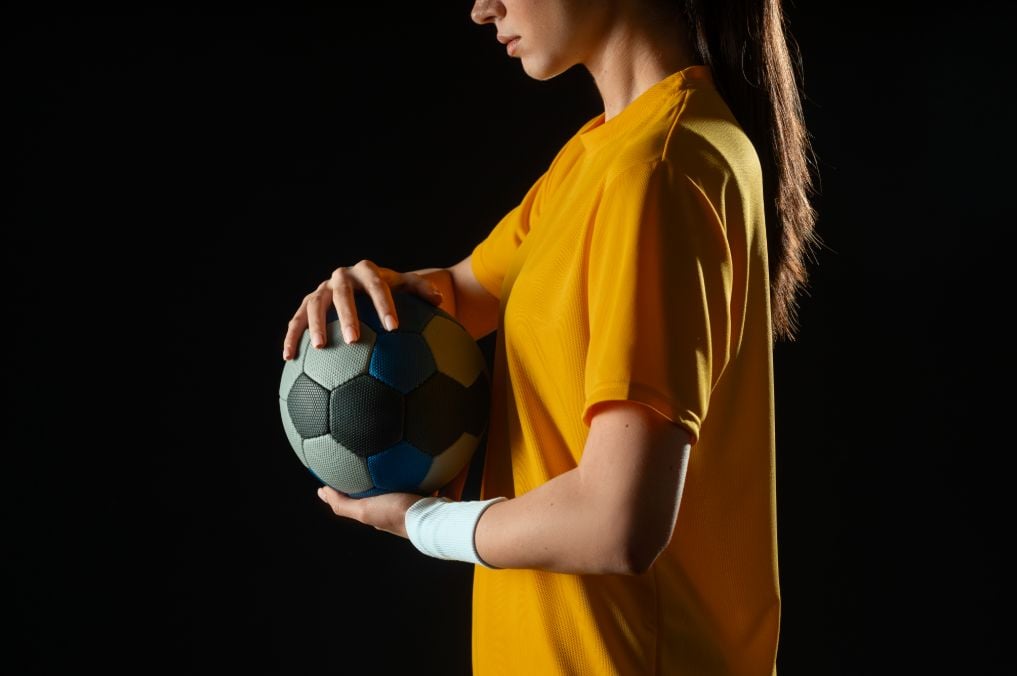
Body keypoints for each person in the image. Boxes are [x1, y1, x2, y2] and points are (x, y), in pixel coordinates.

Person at [281, 0, 819, 673]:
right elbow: (459, 299)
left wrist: (422, 523)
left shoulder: (657, 169)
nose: (482, 9)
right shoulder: (602, 155)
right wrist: (361, 297)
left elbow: (617, 522)